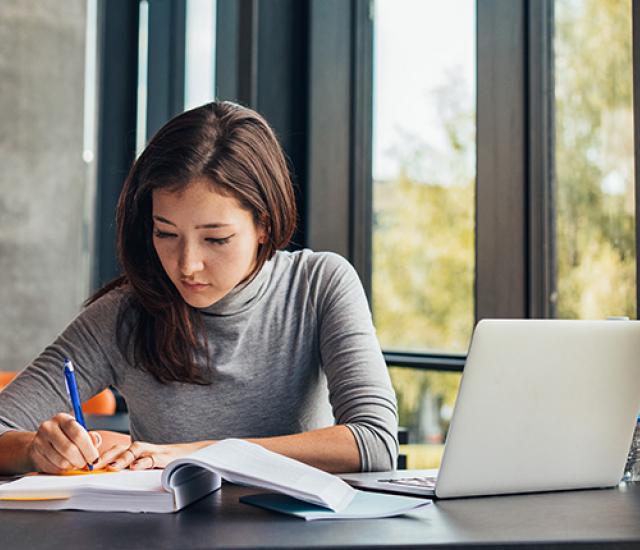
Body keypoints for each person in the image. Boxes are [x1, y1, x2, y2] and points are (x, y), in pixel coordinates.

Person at [0, 101, 398, 475]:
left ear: (264, 225)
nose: (187, 265)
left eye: (216, 239)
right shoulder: (125, 314)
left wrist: (193, 453)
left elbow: (375, 443)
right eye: (166, 233)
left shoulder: (318, 285)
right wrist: (35, 448)